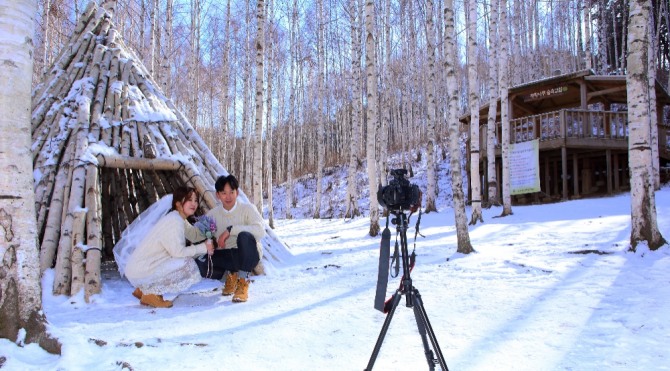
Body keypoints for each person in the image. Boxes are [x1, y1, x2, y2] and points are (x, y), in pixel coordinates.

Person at [123, 187, 214, 308]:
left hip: (139, 268)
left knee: (181, 260)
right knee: (187, 263)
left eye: (196, 200)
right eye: (189, 200)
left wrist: (209, 231)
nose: (194, 203)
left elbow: (193, 235)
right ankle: (151, 292)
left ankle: (144, 290)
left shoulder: (178, 218)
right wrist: (204, 247)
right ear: (178, 204)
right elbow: (178, 253)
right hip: (141, 270)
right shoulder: (174, 221)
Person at [186, 174, 265, 303]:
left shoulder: (247, 209)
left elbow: (261, 232)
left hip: (249, 254)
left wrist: (231, 230)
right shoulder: (213, 215)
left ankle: (243, 281)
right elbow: (195, 235)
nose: (228, 197)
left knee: (244, 236)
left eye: (231, 192)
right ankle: (231, 275)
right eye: (224, 193)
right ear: (218, 195)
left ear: (237, 192)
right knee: (200, 262)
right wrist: (181, 221)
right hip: (228, 255)